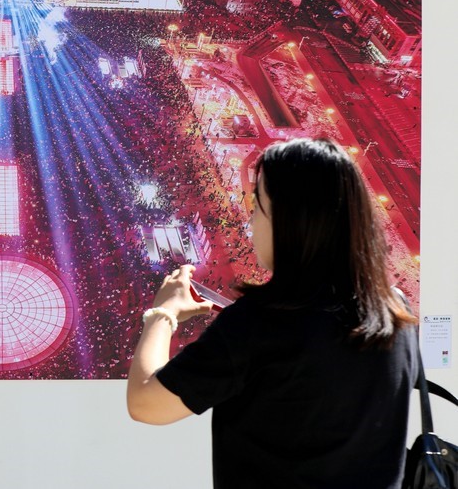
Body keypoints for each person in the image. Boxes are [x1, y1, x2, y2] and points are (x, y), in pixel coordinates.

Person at [126, 137, 419, 488]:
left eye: (257, 203)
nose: (250, 216)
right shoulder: (396, 312)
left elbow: (145, 402)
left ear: (290, 219)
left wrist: (163, 312)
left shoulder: (261, 322)